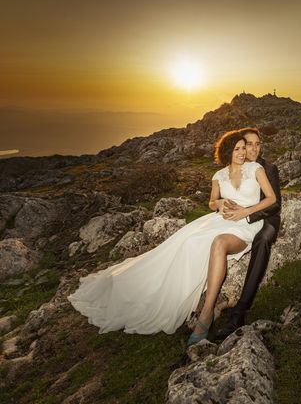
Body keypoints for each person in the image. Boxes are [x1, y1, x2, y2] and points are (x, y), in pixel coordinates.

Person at [67, 130, 276, 346]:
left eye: (245, 148)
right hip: (219, 220)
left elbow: (271, 198)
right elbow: (212, 203)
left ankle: (206, 313)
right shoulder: (218, 176)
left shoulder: (255, 169)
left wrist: (245, 212)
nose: (243, 153)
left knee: (219, 242)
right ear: (227, 152)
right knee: (187, 242)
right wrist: (220, 204)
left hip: (246, 225)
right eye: (238, 149)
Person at [212, 127, 281, 341]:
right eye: (248, 144)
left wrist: (247, 215)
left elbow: (274, 204)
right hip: (240, 219)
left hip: (267, 217)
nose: (253, 148)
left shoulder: (268, 168)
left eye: (257, 144)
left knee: (262, 241)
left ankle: (240, 311)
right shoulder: (237, 166)